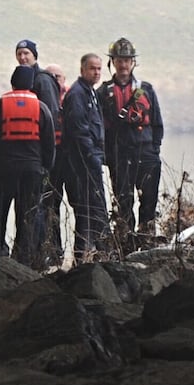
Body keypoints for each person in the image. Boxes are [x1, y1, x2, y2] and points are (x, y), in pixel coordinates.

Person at [0, 65, 57, 262]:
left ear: (13, 84)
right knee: (27, 218)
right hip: (32, 171)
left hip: (2, 170)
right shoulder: (41, 108)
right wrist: (45, 168)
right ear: (31, 85)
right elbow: (49, 144)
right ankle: (26, 261)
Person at [102, 37, 164, 242]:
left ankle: (147, 241)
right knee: (123, 202)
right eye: (119, 60)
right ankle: (125, 244)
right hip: (120, 154)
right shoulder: (103, 92)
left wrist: (154, 151)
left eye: (127, 60)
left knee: (149, 200)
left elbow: (157, 123)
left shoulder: (146, 89)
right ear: (113, 62)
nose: (123, 65)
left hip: (146, 152)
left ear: (133, 62)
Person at [15, 39, 65, 266]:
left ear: (34, 55)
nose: (23, 57)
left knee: (45, 205)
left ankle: (48, 252)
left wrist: (48, 157)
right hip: (27, 156)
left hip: (43, 156)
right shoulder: (23, 79)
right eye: (19, 54)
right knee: (36, 206)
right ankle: (36, 252)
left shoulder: (42, 80)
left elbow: (50, 116)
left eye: (26, 53)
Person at [61, 52, 109, 262]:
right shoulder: (77, 94)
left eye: (99, 68)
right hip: (81, 163)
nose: (96, 72)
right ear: (82, 70)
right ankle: (85, 256)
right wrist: (91, 157)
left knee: (94, 209)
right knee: (89, 210)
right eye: (92, 68)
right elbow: (79, 131)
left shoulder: (90, 93)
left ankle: (97, 254)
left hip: (92, 160)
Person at [40, 62, 71, 268]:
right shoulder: (43, 101)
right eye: (50, 77)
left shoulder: (72, 98)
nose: (54, 80)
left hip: (68, 158)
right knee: (51, 204)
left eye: (57, 76)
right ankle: (54, 250)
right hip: (51, 158)